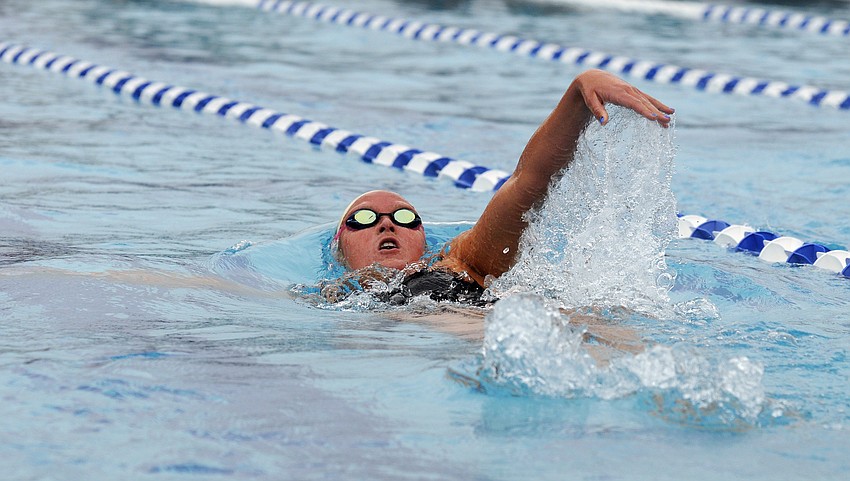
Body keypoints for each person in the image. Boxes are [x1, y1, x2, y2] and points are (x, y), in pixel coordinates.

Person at [327, 69, 673, 305]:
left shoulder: (461, 261)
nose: (387, 223)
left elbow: (525, 185)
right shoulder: (329, 301)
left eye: (405, 217)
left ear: (423, 238)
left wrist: (578, 93)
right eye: (365, 218)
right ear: (339, 249)